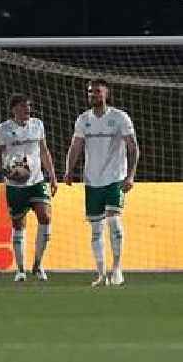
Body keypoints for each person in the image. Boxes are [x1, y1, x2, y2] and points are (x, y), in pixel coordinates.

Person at [65, 79, 139, 287]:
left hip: (115, 178)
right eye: (90, 92)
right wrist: (69, 170)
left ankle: (117, 268)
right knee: (96, 229)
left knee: (114, 222)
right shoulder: (83, 119)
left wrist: (130, 175)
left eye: (97, 92)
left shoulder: (119, 117)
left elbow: (133, 147)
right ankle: (100, 273)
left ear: (107, 93)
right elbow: (76, 146)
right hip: (92, 180)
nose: (93, 95)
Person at [0, 94, 58, 282]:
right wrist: (6, 171)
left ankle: (37, 265)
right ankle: (20, 269)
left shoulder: (37, 124)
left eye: (29, 106)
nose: (27, 109)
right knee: (18, 224)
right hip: (15, 185)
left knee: (45, 217)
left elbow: (44, 150)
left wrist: (52, 176)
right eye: (23, 106)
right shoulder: (3, 129)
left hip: (37, 181)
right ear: (13, 109)